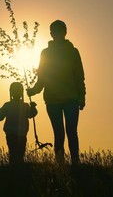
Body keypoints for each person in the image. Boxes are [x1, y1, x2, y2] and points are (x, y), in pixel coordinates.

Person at [26, 20, 86, 165]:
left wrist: (82, 97)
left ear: (64, 32)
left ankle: (75, 163)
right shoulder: (45, 53)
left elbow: (79, 76)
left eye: (58, 30)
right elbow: (42, 77)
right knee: (59, 133)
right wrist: (33, 90)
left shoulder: (73, 52)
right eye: (53, 31)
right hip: (53, 100)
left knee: (71, 131)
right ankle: (60, 164)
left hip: (71, 98)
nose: (56, 33)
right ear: (51, 33)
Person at [0, 82, 38, 165]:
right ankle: (16, 168)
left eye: (18, 91)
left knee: (19, 153)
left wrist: (33, 107)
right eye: (15, 91)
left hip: (20, 133)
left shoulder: (24, 106)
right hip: (13, 133)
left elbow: (31, 114)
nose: (17, 93)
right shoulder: (9, 105)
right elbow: (0, 116)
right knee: (14, 152)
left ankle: (17, 169)